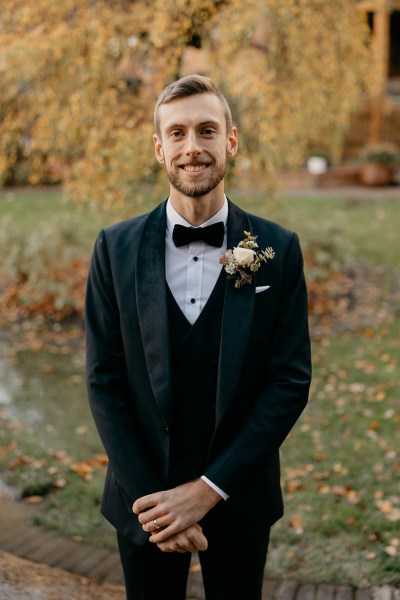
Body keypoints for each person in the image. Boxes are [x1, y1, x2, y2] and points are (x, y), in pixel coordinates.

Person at [85, 74, 311, 600]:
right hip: (144, 501)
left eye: (207, 131)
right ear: (158, 147)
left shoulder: (276, 248)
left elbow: (289, 381)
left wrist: (206, 493)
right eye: (179, 133)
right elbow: (104, 381)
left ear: (229, 141)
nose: (193, 148)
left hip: (240, 494)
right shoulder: (112, 249)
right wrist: (155, 505)